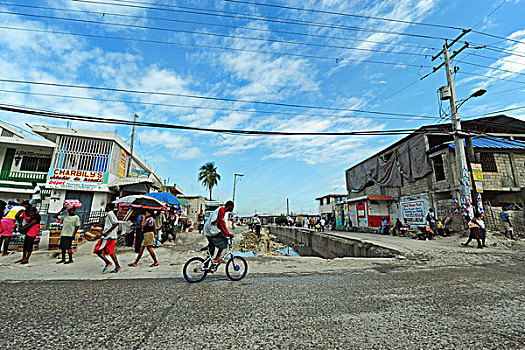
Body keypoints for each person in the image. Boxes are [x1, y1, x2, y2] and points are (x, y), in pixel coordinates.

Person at [94, 203, 121, 273]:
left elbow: (116, 223)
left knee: (97, 250)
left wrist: (107, 232)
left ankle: (108, 262)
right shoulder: (111, 214)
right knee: (111, 252)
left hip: (108, 236)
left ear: (108, 207)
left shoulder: (110, 214)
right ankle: (117, 266)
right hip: (112, 236)